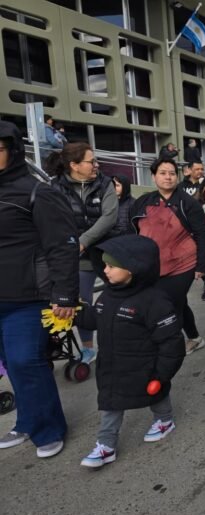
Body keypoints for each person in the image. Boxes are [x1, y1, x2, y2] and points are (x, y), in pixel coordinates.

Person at [0, 120, 79, 459]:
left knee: (25, 360)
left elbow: (63, 244)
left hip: (28, 297)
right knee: (9, 363)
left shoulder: (37, 190)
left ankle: (48, 427)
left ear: (13, 150)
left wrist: (64, 295)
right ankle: (27, 420)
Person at [76, 235, 185, 468]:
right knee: (110, 402)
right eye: (104, 264)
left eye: (111, 266)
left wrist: (162, 374)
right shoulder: (107, 295)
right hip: (111, 364)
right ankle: (106, 445)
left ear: (134, 268)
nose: (105, 270)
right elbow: (96, 318)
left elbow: (171, 341)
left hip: (145, 366)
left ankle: (164, 420)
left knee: (156, 394)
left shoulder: (154, 300)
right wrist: (75, 311)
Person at [130, 158, 205, 355]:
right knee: (179, 302)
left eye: (172, 173)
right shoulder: (143, 202)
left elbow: (202, 234)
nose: (168, 177)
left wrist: (202, 266)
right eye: (163, 173)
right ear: (154, 176)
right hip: (153, 266)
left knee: (170, 304)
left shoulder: (187, 203)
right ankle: (195, 337)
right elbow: (131, 230)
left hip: (183, 264)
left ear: (178, 176)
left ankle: (169, 348)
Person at [50, 142, 118, 365]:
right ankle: (88, 349)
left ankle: (120, 339)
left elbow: (109, 217)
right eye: (91, 161)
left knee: (118, 298)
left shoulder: (105, 183)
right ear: (74, 165)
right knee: (82, 303)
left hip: (106, 251)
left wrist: (83, 241)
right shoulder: (55, 187)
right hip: (77, 257)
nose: (96, 165)